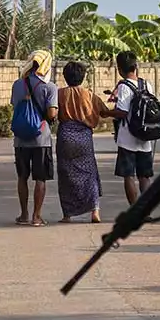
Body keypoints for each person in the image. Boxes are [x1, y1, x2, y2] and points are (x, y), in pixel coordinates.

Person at [54, 61, 112, 223]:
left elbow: (52, 112)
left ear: (65, 77)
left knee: (65, 175)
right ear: (83, 77)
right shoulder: (90, 95)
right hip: (84, 138)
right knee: (90, 173)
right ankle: (95, 211)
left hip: (65, 136)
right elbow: (104, 112)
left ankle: (67, 214)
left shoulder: (59, 94)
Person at [10, 49, 58, 226]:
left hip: (20, 139)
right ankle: (36, 216)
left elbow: (15, 105)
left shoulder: (17, 84)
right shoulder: (50, 87)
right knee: (40, 178)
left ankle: (23, 214)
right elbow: (51, 113)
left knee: (22, 177)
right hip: (41, 139)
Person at [110, 51, 155, 205]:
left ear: (119, 69)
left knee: (129, 175)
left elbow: (122, 112)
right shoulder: (147, 84)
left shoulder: (123, 86)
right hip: (145, 137)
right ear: (136, 66)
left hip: (127, 139)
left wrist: (107, 112)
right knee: (144, 176)